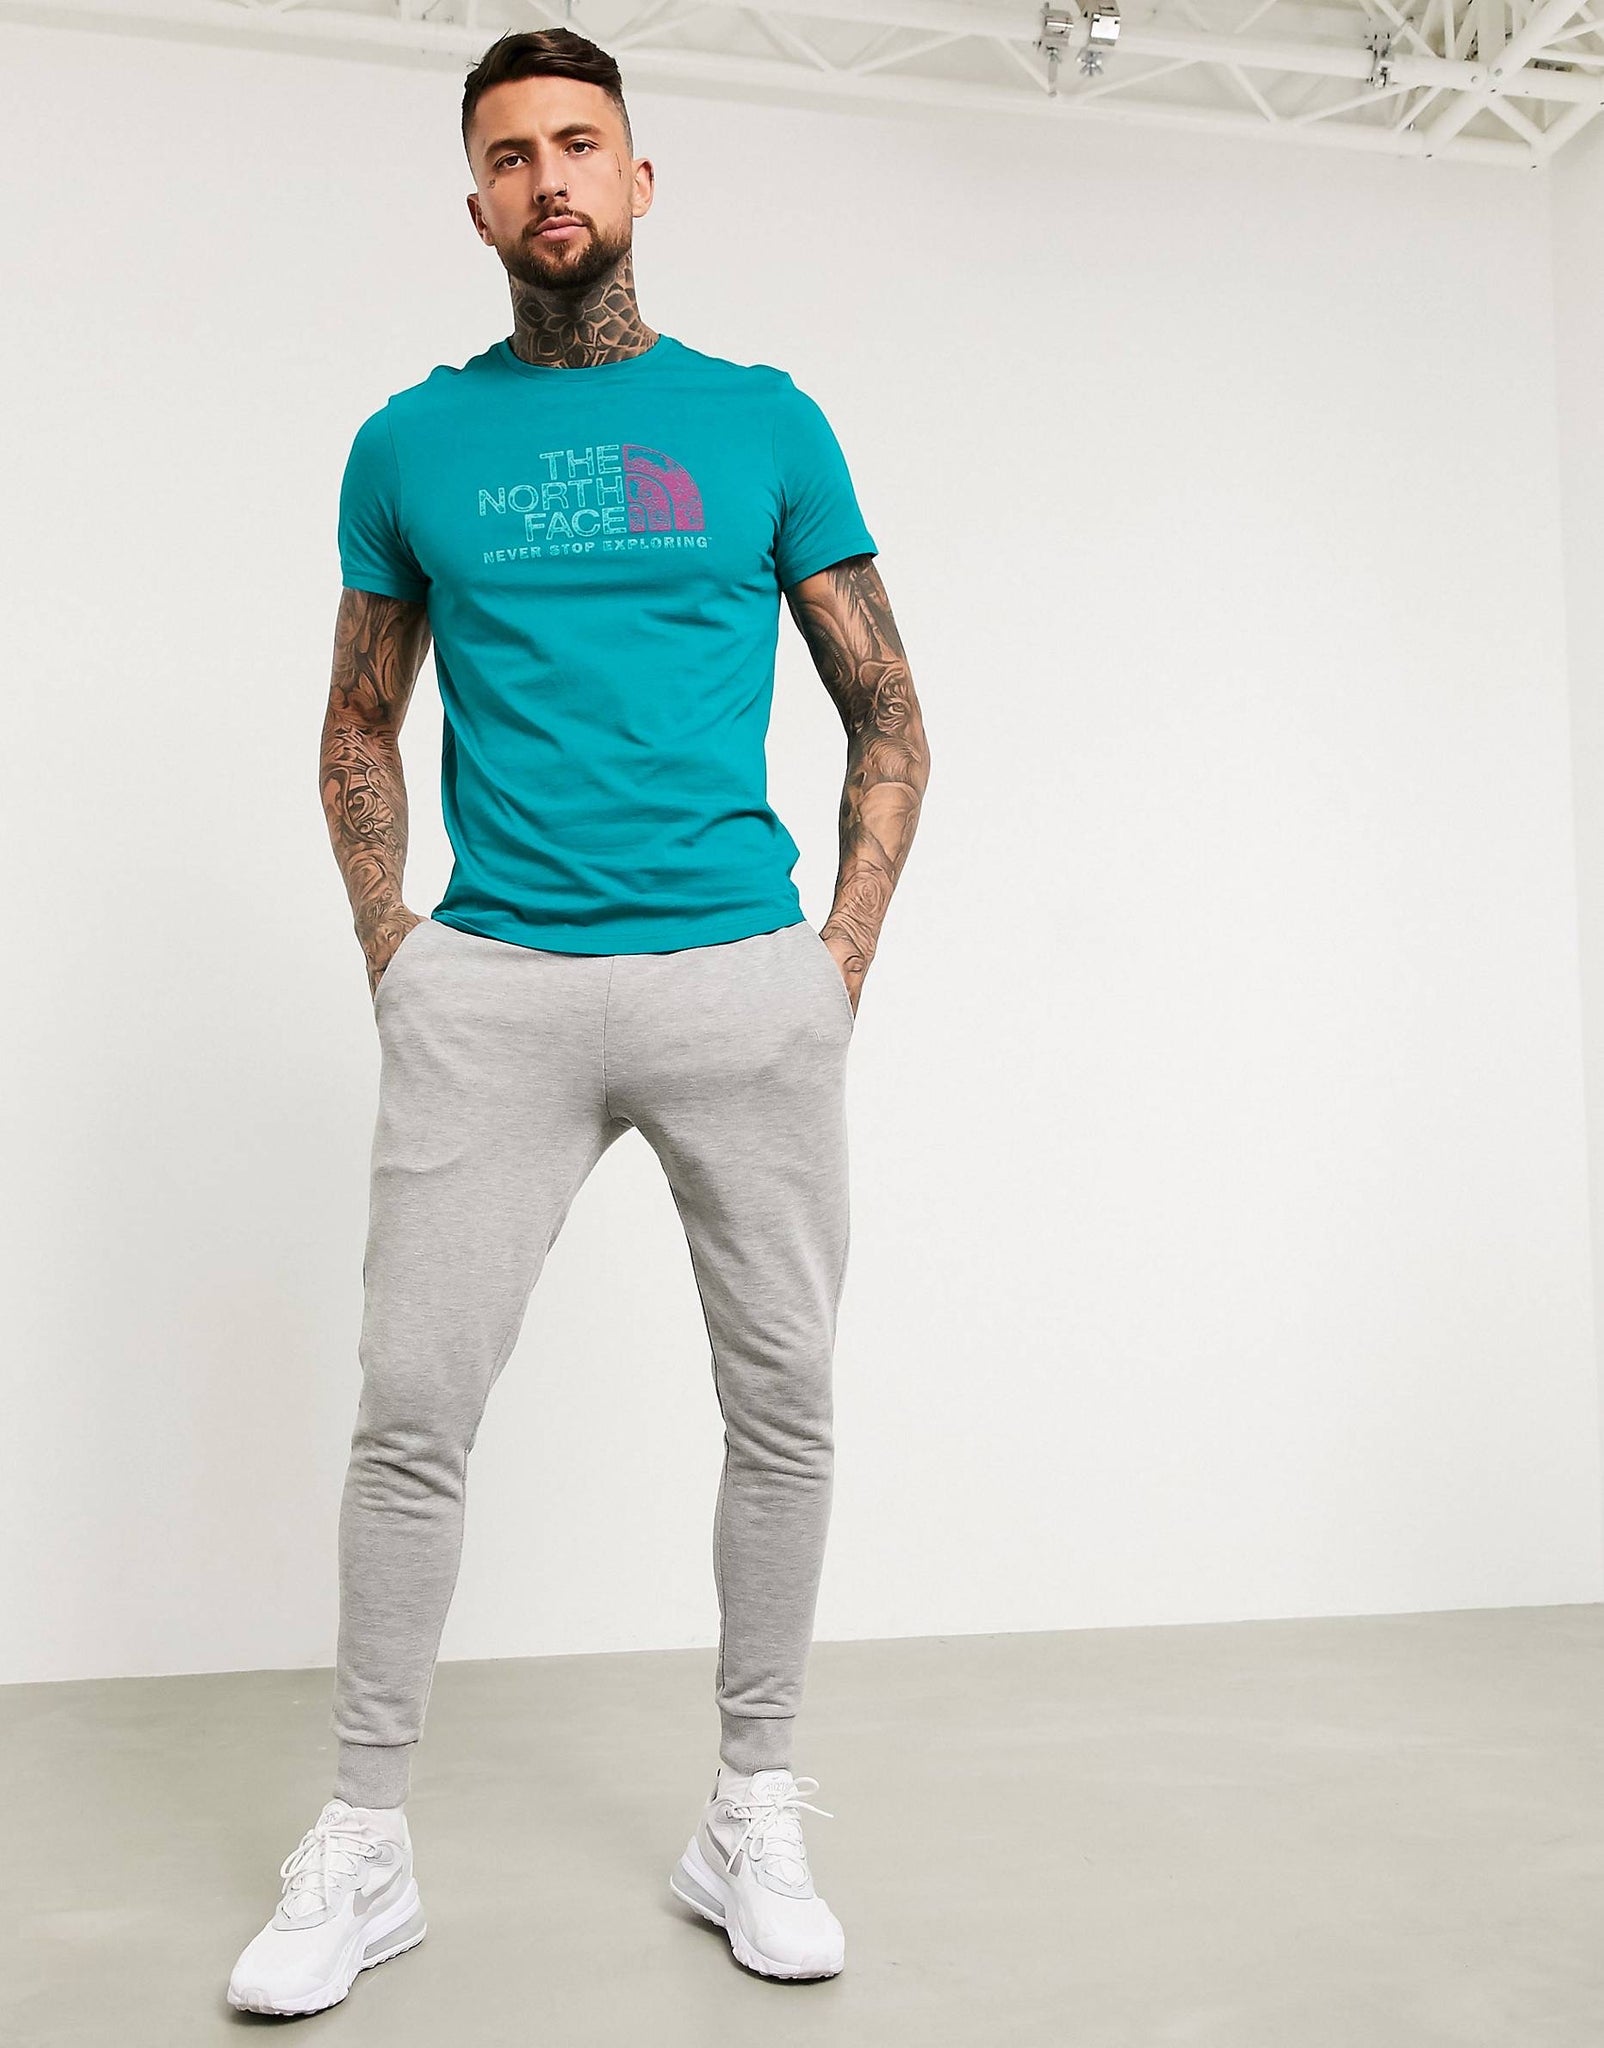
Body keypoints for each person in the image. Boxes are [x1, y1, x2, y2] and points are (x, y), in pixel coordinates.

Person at [228, 22, 930, 2018]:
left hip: (741, 984)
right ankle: (363, 1844)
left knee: (782, 1403)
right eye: (511, 153)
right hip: (496, 989)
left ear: (637, 179)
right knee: (412, 1415)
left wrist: (832, 965)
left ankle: (752, 1808)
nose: (549, 176)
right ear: (474, 205)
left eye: (580, 143)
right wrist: (398, 949)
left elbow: (889, 711)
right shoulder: (409, 444)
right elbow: (358, 717)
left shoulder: (763, 422)